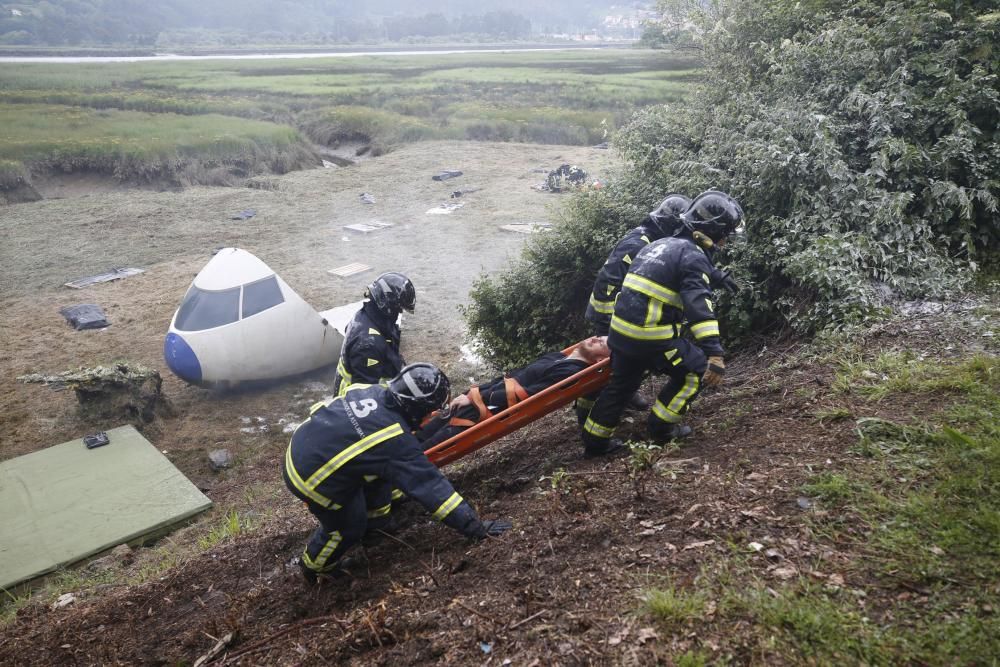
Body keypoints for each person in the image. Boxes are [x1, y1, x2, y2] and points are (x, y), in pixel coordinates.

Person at [284, 362, 512, 584]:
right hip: (310, 477)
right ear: (418, 408)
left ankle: (377, 526)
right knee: (348, 526)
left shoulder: (371, 390)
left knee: (378, 470)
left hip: (305, 443)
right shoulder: (393, 440)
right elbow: (432, 488)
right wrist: (476, 528)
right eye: (431, 411)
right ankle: (315, 567)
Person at [580, 190, 745, 458]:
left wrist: (713, 275)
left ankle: (594, 442)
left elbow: (675, 268)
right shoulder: (693, 256)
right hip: (651, 337)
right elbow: (698, 306)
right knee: (695, 372)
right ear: (713, 231)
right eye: (725, 234)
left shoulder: (659, 244)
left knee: (621, 385)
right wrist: (714, 352)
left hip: (621, 334)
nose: (725, 241)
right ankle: (661, 428)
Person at [417, 336, 611, 449]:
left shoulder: (571, 373)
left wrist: (475, 398)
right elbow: (511, 378)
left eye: (601, 344)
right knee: (418, 434)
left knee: (421, 450)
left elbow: (528, 394)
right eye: (599, 337)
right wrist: (470, 393)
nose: (595, 338)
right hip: (476, 401)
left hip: (482, 413)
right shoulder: (559, 358)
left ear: (599, 361)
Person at [332, 272, 414, 397]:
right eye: (399, 308)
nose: (400, 312)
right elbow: (365, 396)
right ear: (388, 304)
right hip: (355, 402)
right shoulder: (368, 344)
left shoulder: (367, 315)